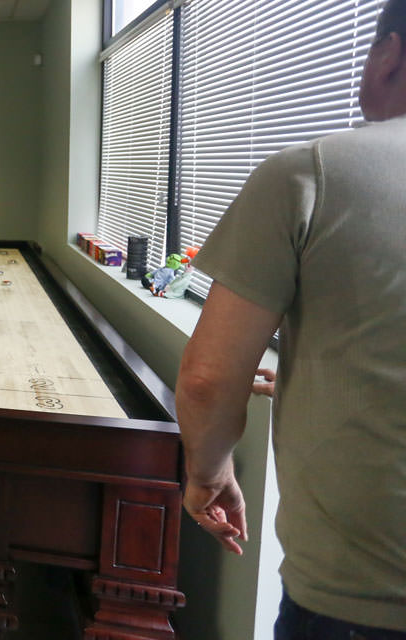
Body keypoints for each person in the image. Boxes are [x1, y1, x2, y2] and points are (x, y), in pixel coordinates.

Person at [175, 2, 406, 637]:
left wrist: (208, 474)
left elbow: (206, 381)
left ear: (386, 55)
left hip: (355, 602)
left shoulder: (310, 173)